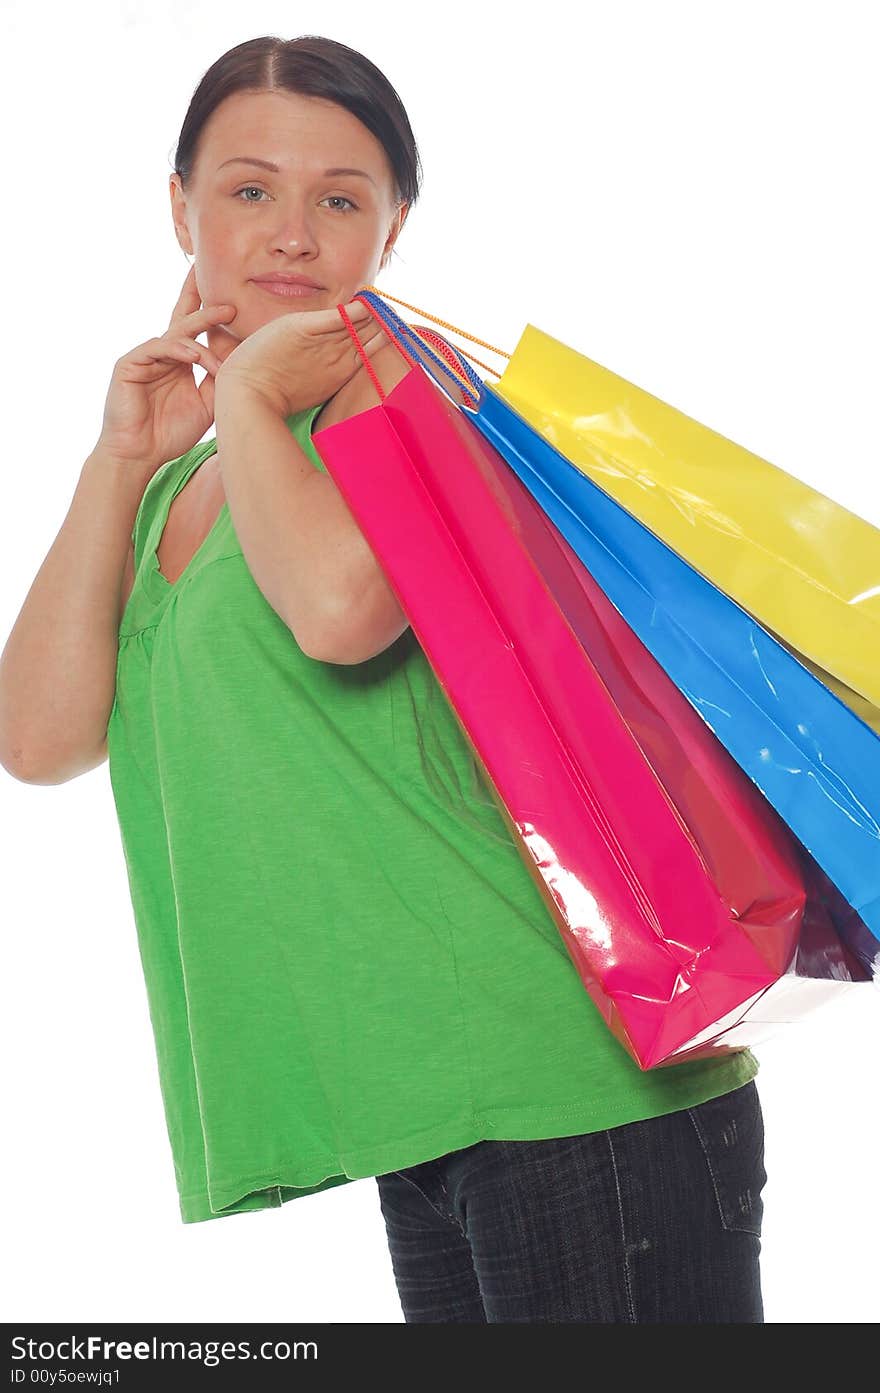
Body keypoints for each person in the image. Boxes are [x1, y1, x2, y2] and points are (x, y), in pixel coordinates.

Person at [0, 34, 767, 1323]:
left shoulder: (402, 395)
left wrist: (245, 397)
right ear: (176, 205)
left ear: (393, 227)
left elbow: (341, 614)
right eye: (248, 190)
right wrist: (119, 460)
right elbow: (40, 736)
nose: (290, 234)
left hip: (573, 1086)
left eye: (340, 199)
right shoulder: (181, 476)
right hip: (426, 1113)